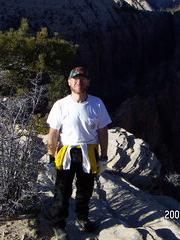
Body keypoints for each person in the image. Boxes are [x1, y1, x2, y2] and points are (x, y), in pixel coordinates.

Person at [46, 66, 112, 240]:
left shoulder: (97, 103)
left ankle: (82, 219)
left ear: (88, 82)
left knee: (85, 189)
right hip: (66, 152)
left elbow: (103, 131)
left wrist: (103, 157)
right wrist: (51, 159)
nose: (79, 82)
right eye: (75, 79)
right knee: (62, 191)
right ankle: (58, 225)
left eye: (82, 79)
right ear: (69, 82)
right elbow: (53, 134)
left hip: (89, 152)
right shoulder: (60, 105)